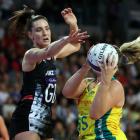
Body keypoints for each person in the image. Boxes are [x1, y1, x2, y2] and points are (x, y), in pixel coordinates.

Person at [9, 5, 89, 140]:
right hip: (28, 113)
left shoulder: (53, 56)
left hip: (46, 115)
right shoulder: (30, 55)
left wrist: (73, 24)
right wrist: (65, 39)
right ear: (30, 35)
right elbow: (48, 51)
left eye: (47, 28)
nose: (45, 33)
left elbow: (76, 46)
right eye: (39, 30)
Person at [62, 38, 140, 139]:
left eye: (106, 61)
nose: (102, 62)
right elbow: (67, 92)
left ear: (114, 65)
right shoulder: (88, 82)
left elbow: (95, 114)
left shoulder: (115, 86)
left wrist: (105, 81)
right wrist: (86, 65)